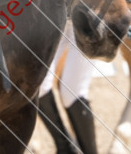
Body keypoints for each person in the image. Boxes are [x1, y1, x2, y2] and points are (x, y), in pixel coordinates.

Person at [35, 25, 98, 154]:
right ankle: (65, 149)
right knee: (39, 84)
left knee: (72, 91)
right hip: (58, 17)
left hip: (85, 18)